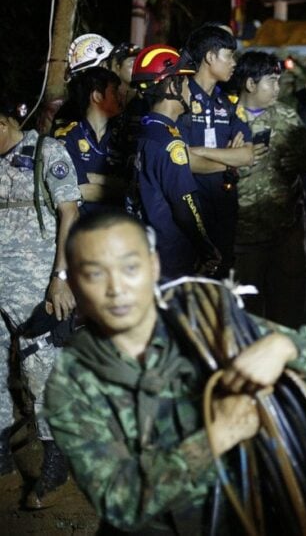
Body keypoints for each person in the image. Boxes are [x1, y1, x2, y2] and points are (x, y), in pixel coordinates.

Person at [44, 211, 306, 533]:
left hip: (255, 515)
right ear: (76, 283)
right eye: (95, 274)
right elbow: (119, 502)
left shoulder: (206, 319)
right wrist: (219, 434)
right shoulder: (74, 380)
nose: (116, 289)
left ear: (154, 266)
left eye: (130, 268)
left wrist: (286, 347)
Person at [0, 97, 81, 507]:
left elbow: (69, 213)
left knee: (41, 370)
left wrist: (60, 278)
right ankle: (2, 459)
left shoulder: (46, 152)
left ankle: (56, 458)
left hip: (35, 288)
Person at [129, 44, 220, 278]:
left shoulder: (147, 130)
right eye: (188, 84)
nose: (192, 91)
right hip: (171, 257)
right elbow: (185, 206)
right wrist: (207, 248)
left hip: (144, 248)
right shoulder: (170, 143)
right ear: (172, 86)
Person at [233, 51, 306, 328]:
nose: (277, 88)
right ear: (250, 84)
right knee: (246, 307)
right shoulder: (225, 117)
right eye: (271, 81)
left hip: (285, 230)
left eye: (279, 81)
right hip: (243, 232)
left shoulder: (287, 117)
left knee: (288, 306)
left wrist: (301, 161)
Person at [179, 24, 254, 277]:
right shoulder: (179, 98)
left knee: (220, 287)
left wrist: (199, 151)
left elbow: (247, 155)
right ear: (210, 57)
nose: (234, 63)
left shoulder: (226, 103)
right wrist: (228, 160)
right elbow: (181, 161)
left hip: (223, 208)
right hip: (188, 212)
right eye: (229, 55)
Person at [55, 67, 127, 215]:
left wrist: (92, 178)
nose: (120, 97)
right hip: (84, 229)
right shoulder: (69, 137)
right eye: (114, 92)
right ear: (97, 96)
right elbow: (81, 190)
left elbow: (133, 184)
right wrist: (118, 187)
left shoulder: (122, 136)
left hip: (117, 227)